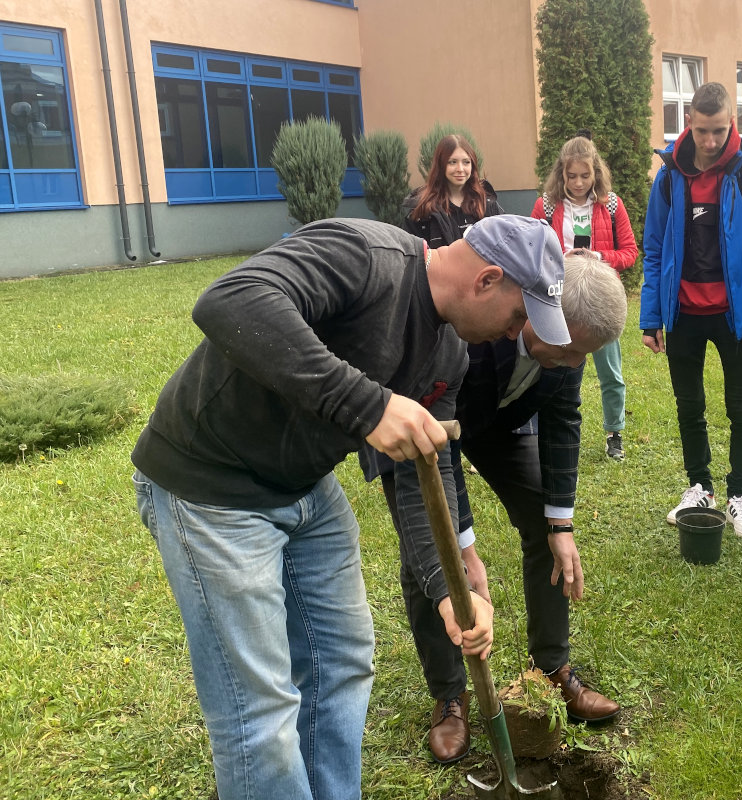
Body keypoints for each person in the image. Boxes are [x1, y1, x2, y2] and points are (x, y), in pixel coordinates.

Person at [130, 214, 569, 799]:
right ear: (487, 280)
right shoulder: (365, 254)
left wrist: (448, 588)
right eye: (519, 315)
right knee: (259, 711)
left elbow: (427, 468)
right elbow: (230, 300)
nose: (516, 333)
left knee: (342, 667)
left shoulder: (450, 355)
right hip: (214, 488)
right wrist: (368, 405)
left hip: (303, 488)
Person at [365, 253, 627, 763]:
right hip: (428, 428)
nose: (576, 364)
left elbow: (563, 420)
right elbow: (436, 449)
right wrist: (462, 542)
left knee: (541, 520)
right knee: (430, 553)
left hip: (499, 426)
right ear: (538, 314)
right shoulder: (471, 329)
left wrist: (561, 522)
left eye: (585, 356)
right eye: (571, 350)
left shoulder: (571, 346)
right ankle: (449, 695)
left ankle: (551, 669)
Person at [640, 81, 742, 539]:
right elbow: (655, 251)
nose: (710, 141)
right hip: (682, 314)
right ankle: (699, 486)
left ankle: (740, 494)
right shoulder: (669, 177)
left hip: (733, 318)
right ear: (689, 124)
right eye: (702, 131)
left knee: (740, 407)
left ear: (731, 123)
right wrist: (649, 317)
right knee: (689, 406)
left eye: (719, 130)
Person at [532, 132, 638, 461]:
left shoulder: (611, 205)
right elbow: (531, 250)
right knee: (556, 368)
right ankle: (549, 429)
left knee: (611, 373)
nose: (578, 183)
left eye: (585, 175)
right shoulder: (546, 206)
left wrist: (599, 257)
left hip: (599, 299)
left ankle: (614, 432)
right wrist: (562, 259)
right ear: (561, 173)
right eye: (571, 175)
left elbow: (631, 252)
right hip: (559, 300)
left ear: (596, 172)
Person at [402, 134, 503, 248]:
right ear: (440, 166)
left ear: (473, 165)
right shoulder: (423, 210)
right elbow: (412, 257)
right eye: (452, 162)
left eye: (466, 162)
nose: (460, 169)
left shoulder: (487, 203)